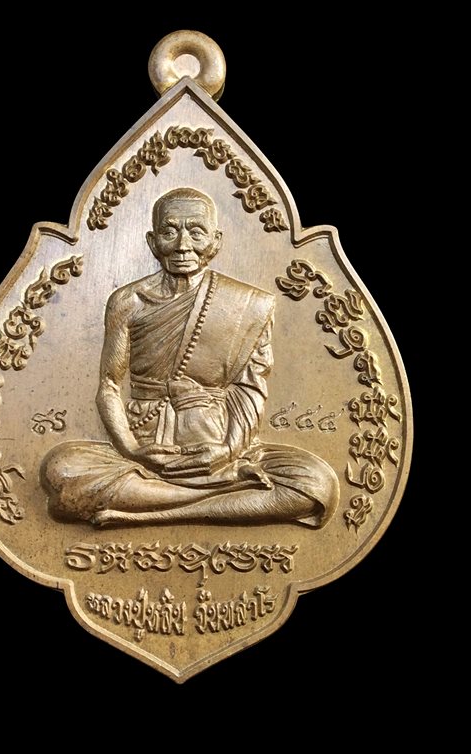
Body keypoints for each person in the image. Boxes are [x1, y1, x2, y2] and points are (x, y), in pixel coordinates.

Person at [41, 187, 339, 527]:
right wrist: (131, 448)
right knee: (62, 468)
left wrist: (228, 451)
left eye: (196, 233)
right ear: (153, 242)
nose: (183, 245)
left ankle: (159, 511)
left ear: (215, 242)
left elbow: (250, 389)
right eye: (169, 232)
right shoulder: (128, 301)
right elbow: (109, 384)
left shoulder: (250, 305)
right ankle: (227, 490)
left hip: (217, 444)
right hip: (147, 445)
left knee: (315, 483)